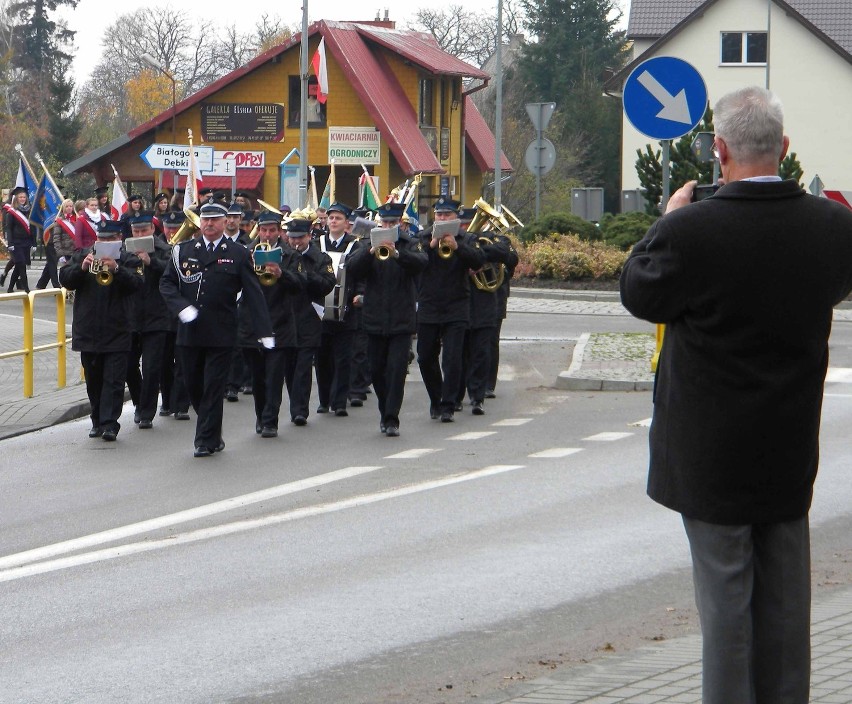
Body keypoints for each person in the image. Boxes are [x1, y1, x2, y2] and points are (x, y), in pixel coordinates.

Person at [619, 86, 852, 704]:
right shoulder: (834, 227)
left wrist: (667, 221)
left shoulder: (691, 231)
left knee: (726, 604)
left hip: (710, 453)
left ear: (718, 148)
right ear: (786, 148)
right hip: (788, 442)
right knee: (785, 602)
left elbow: (641, 293)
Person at [159, 201, 274, 458]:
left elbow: (254, 295)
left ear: (224, 222)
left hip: (221, 332)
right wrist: (181, 307)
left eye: (214, 220)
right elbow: (166, 284)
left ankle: (204, 440)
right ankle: (213, 431)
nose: (209, 224)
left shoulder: (238, 253)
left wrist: (264, 331)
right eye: (205, 220)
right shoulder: (183, 250)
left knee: (213, 386)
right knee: (193, 385)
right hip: (189, 332)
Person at [346, 201, 427, 436]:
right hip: (373, 318)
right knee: (377, 370)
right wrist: (371, 251)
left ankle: (392, 418)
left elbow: (422, 263)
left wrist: (398, 253)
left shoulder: (410, 243)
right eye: (384, 222)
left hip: (401, 319)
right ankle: (385, 410)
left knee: (396, 370)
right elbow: (352, 269)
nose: (388, 226)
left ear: (400, 223)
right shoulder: (365, 244)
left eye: (392, 222)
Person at [59, 219, 142, 441]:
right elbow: (65, 279)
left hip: (118, 330)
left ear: (119, 240)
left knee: (114, 381)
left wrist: (118, 269)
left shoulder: (128, 259)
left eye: (110, 239)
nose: (105, 243)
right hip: (88, 330)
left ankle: (109, 424)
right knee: (93, 381)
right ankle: (96, 420)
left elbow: (137, 284)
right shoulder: (83, 255)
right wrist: (81, 267)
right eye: (102, 239)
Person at [416, 197, 485, 422]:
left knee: (453, 358)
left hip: (456, 305)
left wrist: (458, 247)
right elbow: (415, 263)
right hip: (429, 304)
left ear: (456, 217)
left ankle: (448, 404)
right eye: (439, 215)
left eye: (447, 215)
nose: (442, 219)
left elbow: (478, 262)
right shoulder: (424, 237)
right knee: (425, 357)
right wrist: (432, 246)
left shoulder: (467, 238)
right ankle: (436, 398)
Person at [239, 210, 305, 437]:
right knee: (258, 377)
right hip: (252, 323)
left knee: (275, 376)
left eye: (272, 230)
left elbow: (300, 285)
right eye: (264, 230)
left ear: (279, 231)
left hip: (280, 323)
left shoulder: (290, 255)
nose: (267, 235)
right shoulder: (246, 252)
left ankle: (270, 421)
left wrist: (282, 274)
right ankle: (261, 416)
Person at [282, 213, 336, 426]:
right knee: (289, 366)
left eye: (300, 238)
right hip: (286, 315)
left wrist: (307, 274)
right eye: (292, 237)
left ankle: (300, 410)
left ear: (309, 235)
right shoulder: (283, 255)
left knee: (304, 366)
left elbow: (328, 283)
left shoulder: (321, 258)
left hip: (309, 316)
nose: (295, 242)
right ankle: (295, 404)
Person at [124, 212, 172, 430]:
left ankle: (146, 412)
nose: (140, 234)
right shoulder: (125, 250)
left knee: (152, 367)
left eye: (144, 231)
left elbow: (172, 274)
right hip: (131, 316)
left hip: (157, 316)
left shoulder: (165, 250)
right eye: (136, 231)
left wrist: (151, 262)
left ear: (152, 230)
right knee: (127, 364)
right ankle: (138, 401)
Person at [315, 201, 359, 416]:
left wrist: (357, 294)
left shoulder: (355, 245)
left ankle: (339, 402)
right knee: (322, 358)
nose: (333, 221)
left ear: (346, 223)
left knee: (343, 359)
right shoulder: (318, 243)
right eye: (331, 218)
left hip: (346, 312)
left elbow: (360, 275)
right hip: (321, 312)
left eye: (338, 218)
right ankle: (324, 400)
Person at [2, 186, 35, 293]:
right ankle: (26, 289)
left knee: (19, 266)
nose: (22, 199)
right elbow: (8, 229)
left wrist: (34, 243)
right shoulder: (11, 212)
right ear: (16, 198)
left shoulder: (28, 210)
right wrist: (10, 243)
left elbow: (32, 227)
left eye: (24, 197)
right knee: (21, 265)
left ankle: (10, 287)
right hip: (16, 243)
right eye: (20, 197)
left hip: (26, 242)